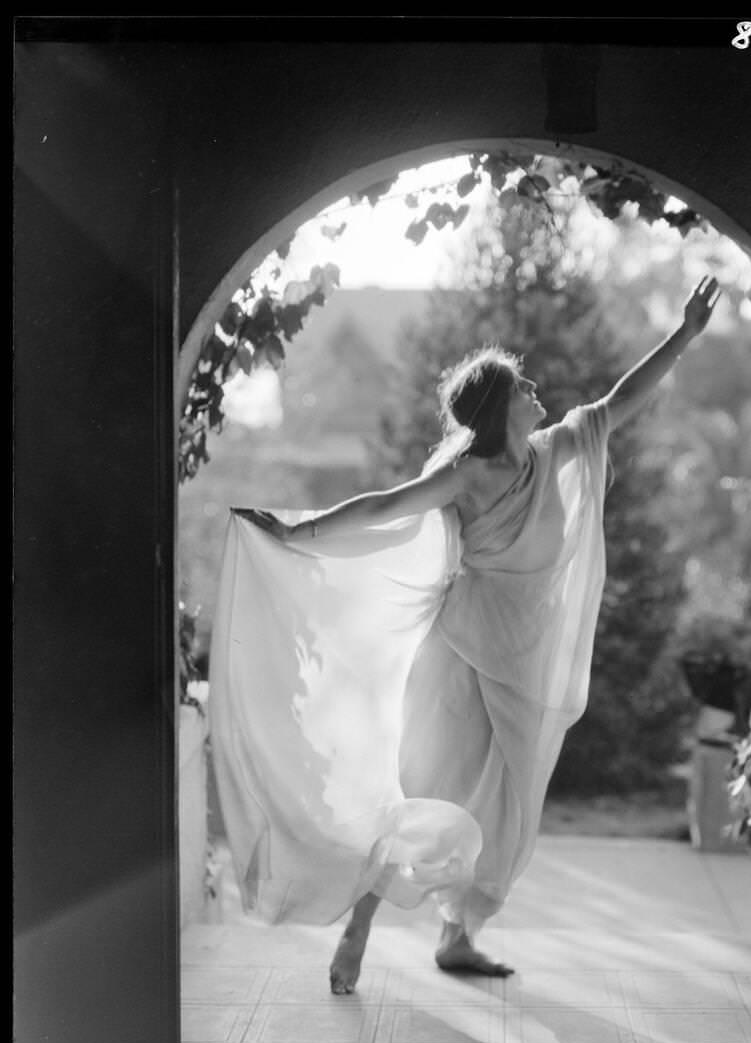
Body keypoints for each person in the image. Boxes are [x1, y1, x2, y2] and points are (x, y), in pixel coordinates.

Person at [212, 275, 720, 994]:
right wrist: (299, 530)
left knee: (508, 815)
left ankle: (456, 937)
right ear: (498, 406)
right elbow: (386, 504)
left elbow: (618, 404)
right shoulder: (467, 474)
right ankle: (356, 936)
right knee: (424, 796)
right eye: (523, 385)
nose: (536, 389)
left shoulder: (550, 452)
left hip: (520, 658)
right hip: (455, 656)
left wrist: (686, 333)